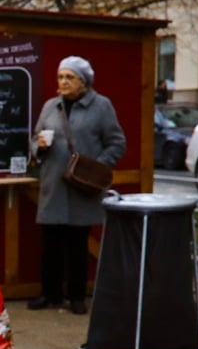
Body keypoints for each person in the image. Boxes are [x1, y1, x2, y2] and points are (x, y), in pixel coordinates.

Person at [30, 55, 126, 315]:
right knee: (51, 244)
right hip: (54, 184)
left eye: (69, 77)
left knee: (77, 243)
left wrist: (97, 166)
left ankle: (76, 297)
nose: (63, 82)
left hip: (83, 186)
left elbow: (117, 143)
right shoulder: (51, 106)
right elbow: (34, 138)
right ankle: (49, 294)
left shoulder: (101, 106)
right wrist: (37, 146)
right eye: (60, 77)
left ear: (83, 82)